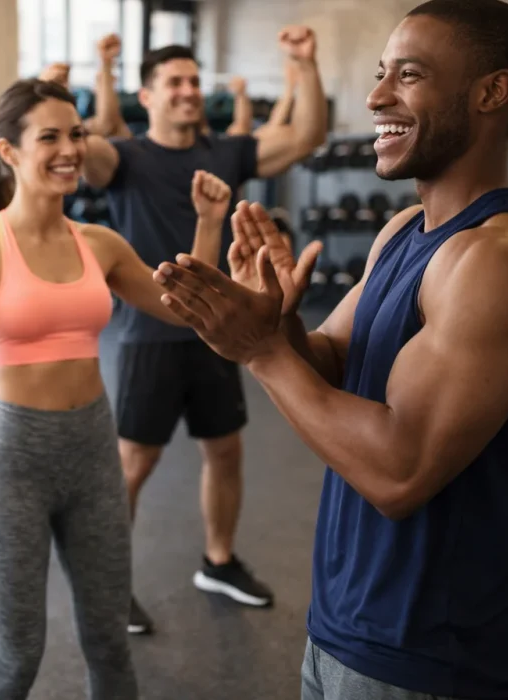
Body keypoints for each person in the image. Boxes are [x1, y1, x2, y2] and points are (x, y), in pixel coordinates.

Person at [154, 2, 508, 698]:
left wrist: (260, 353)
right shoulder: (406, 231)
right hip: (345, 626)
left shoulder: (500, 262)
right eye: (381, 74)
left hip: (432, 660)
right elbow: (330, 364)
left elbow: (400, 473)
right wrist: (278, 323)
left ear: (491, 93)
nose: (377, 96)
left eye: (409, 76)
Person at [0, 78, 229, 700]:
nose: (70, 149)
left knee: (109, 646)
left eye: (77, 134)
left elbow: (183, 309)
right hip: (15, 462)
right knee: (16, 661)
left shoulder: (97, 244)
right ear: (8, 151)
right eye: (50, 137)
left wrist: (209, 224)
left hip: (95, 454)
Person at [80, 29, 328, 633]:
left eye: (194, 81)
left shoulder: (225, 152)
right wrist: (100, 74)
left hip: (220, 328)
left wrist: (306, 65)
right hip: (149, 335)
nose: (190, 91)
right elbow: (83, 148)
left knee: (225, 450)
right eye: (176, 83)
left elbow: (304, 135)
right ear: (150, 95)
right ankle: (108, 589)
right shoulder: (126, 158)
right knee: (134, 463)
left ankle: (218, 561)